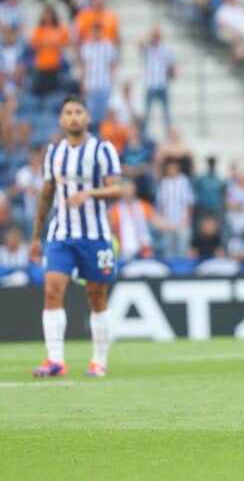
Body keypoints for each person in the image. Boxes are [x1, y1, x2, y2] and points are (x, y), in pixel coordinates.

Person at [28, 95, 123, 378]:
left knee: (96, 296)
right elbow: (46, 195)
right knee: (52, 290)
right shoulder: (54, 153)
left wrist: (90, 193)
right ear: (61, 119)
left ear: (87, 117)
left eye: (78, 112)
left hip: (95, 235)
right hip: (61, 234)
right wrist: (36, 236)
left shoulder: (103, 150)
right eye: (68, 112)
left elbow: (117, 189)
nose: (74, 117)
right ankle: (55, 360)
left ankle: (99, 361)